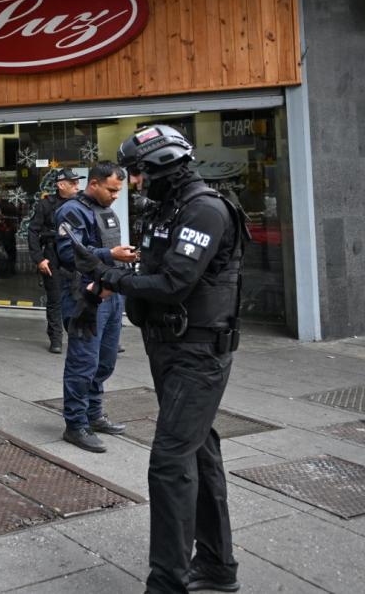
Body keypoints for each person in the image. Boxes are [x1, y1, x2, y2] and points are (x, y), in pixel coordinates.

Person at [70, 125, 248, 594]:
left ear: (165, 166)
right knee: (200, 452)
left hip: (198, 353)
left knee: (169, 462)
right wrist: (105, 282)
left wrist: (113, 276)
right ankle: (216, 566)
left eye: (142, 173)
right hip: (170, 347)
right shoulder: (169, 209)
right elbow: (152, 272)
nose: (137, 183)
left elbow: (174, 283)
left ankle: (168, 583)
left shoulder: (205, 209)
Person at [54, 161, 138, 453]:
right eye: (112, 189)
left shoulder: (104, 209)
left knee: (105, 361)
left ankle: (94, 414)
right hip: (85, 297)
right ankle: (76, 425)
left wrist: (120, 257)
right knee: (83, 362)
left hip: (111, 293)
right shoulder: (71, 211)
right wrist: (109, 253)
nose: (116, 196)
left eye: (118, 191)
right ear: (94, 183)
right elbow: (68, 254)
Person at [27, 168, 83, 354]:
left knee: (80, 297)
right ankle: (56, 339)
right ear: (61, 185)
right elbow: (33, 231)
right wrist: (39, 259)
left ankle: (80, 336)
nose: (77, 186)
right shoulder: (46, 204)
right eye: (72, 183)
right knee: (55, 299)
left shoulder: (82, 202)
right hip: (52, 254)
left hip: (76, 254)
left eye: (77, 182)